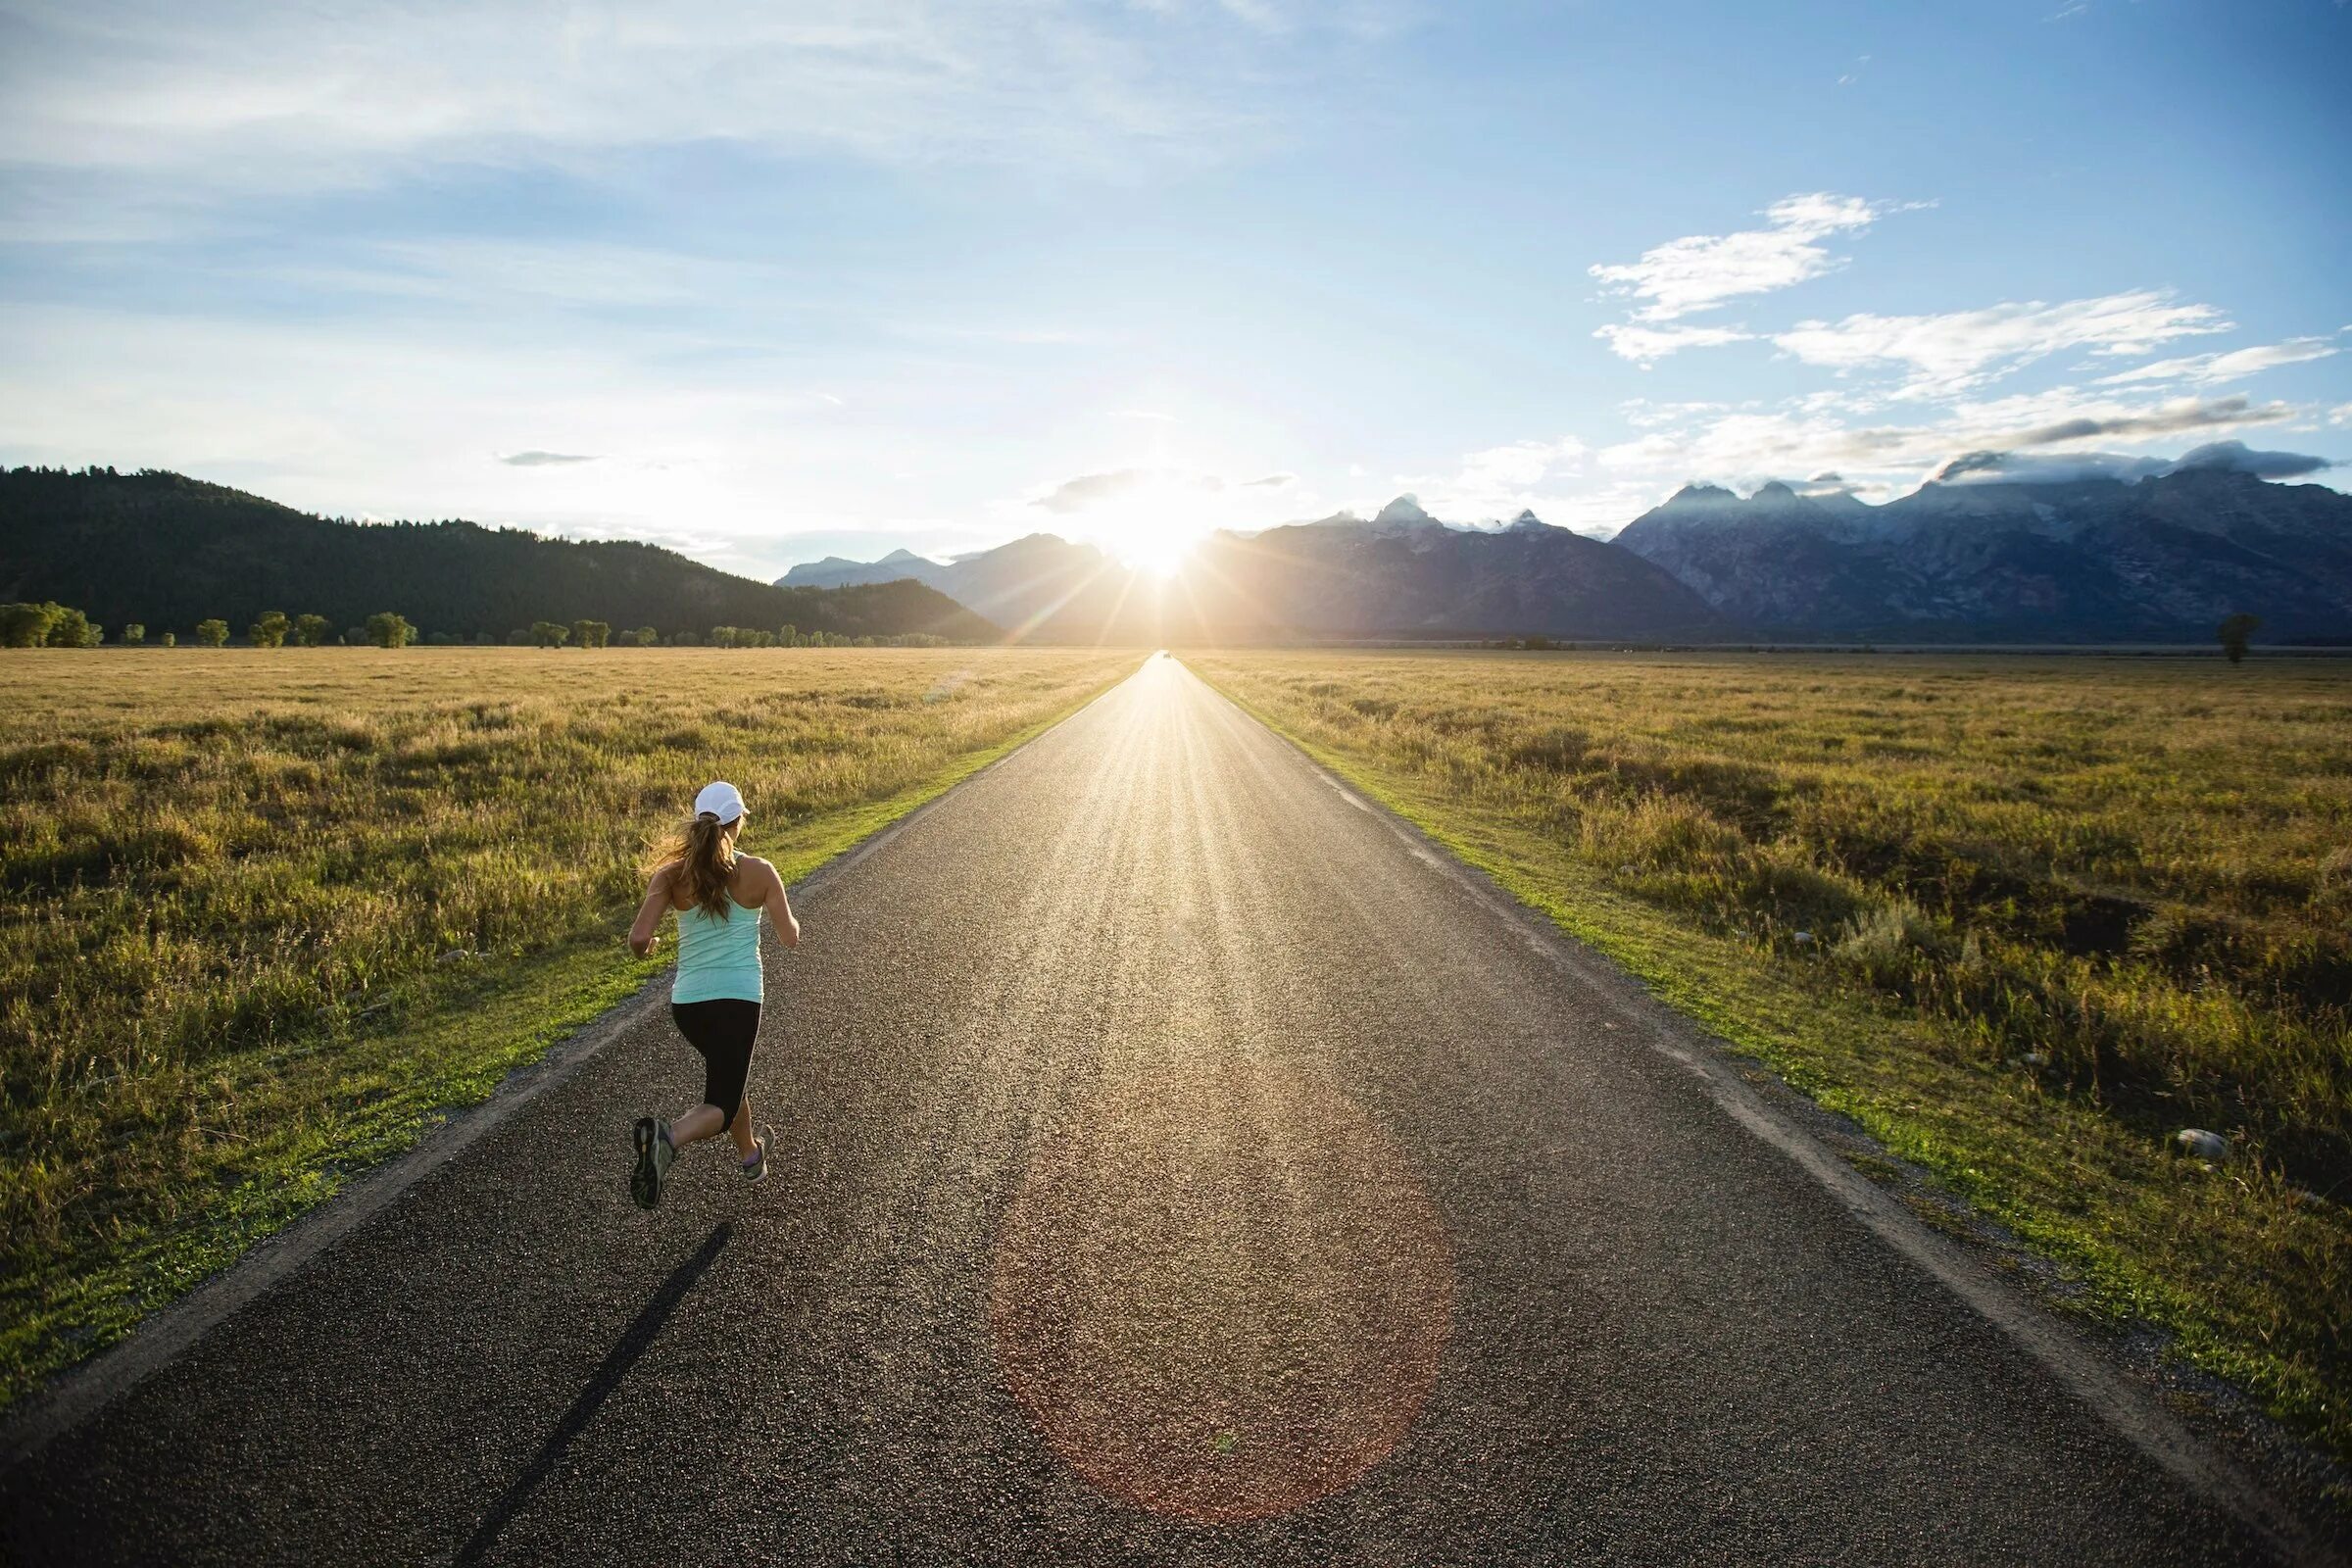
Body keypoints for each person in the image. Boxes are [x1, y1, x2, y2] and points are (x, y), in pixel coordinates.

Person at [625, 779, 801, 1208]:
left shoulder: (671, 875)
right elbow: (789, 937)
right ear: (738, 822)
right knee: (719, 1105)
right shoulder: (760, 870)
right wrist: (789, 926)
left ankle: (751, 1155)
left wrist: (650, 947)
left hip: (688, 1005)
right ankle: (667, 1137)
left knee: (728, 1075)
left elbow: (638, 938)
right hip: (738, 1001)